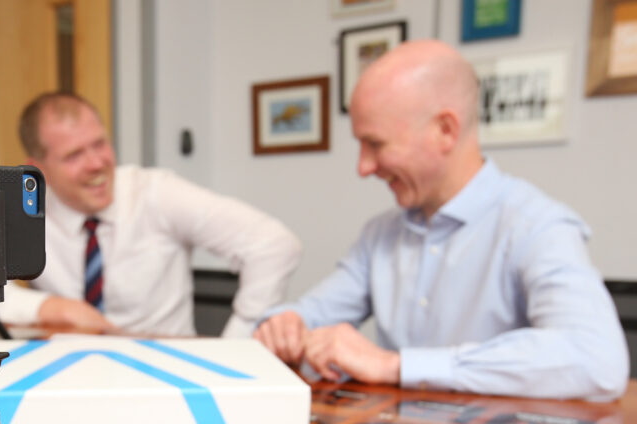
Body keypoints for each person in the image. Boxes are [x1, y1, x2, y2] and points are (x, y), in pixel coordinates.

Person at [254, 40, 628, 401]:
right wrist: (284, 324)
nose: (363, 167)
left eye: (376, 144)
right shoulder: (381, 234)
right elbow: (314, 313)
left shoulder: (537, 226)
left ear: (445, 130)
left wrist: (395, 366)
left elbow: (598, 360)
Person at [0, 92, 302, 338]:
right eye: (74, 155)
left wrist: (236, 346)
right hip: (67, 375)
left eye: (100, 144)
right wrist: (50, 308)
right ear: (37, 168)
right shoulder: (24, 212)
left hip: (167, 374)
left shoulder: (156, 193)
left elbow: (274, 245)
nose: (97, 163)